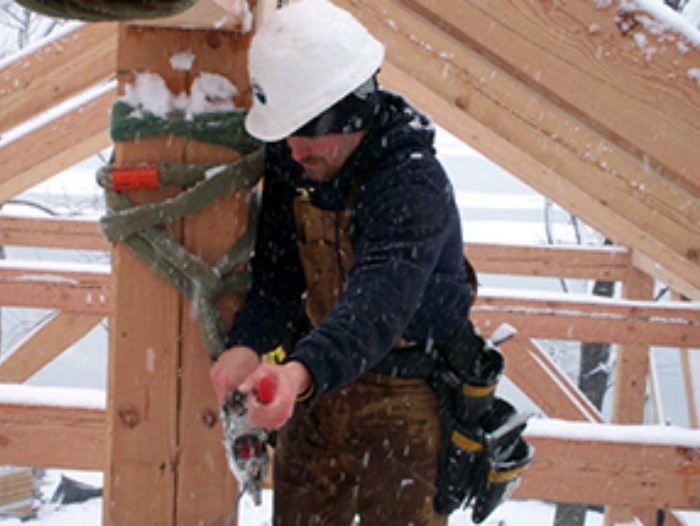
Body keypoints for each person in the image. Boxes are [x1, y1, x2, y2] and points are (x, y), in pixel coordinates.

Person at [209, 1, 515, 524]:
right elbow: (281, 272)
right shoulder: (299, 157)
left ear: (352, 110)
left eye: (307, 130)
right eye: (286, 132)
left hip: (405, 402)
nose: (294, 148)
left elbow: (378, 304)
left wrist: (299, 372)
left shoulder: (411, 183)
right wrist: (251, 343)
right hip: (316, 395)